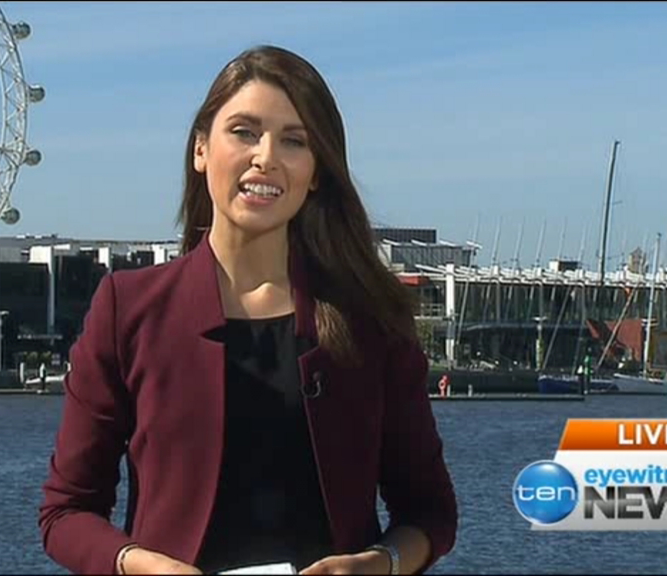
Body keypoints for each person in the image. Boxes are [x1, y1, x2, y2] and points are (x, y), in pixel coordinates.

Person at [39, 45, 457, 575]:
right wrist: (136, 565)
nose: (266, 157)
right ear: (200, 149)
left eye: (294, 141)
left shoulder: (370, 319)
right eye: (244, 132)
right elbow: (66, 512)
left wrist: (381, 564)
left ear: (317, 171)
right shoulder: (129, 309)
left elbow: (430, 513)